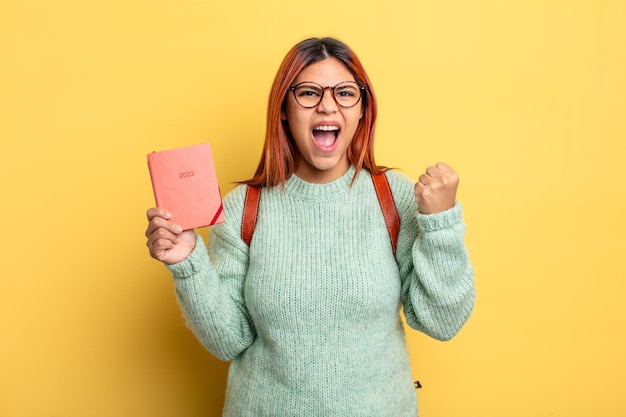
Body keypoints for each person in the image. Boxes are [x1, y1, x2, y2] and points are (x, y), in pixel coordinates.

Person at [145, 37, 476, 417]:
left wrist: (441, 225)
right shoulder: (242, 209)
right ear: (284, 109)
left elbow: (442, 321)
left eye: (346, 93)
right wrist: (187, 262)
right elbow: (228, 341)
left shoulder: (395, 199)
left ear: (362, 109)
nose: (327, 105)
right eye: (308, 92)